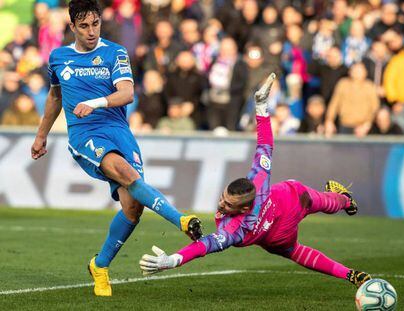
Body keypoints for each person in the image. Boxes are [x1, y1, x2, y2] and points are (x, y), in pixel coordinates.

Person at [30, 0, 203, 297]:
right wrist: (41, 134)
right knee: (126, 174)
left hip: (118, 130)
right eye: (83, 26)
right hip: (86, 134)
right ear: (72, 27)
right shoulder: (58, 58)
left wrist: (95, 102)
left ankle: (99, 264)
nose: (91, 31)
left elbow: (126, 93)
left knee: (132, 208)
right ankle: (182, 220)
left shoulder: (115, 53)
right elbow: (55, 97)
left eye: (95, 24)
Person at [139, 73, 372, 289]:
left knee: (333, 203)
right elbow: (265, 145)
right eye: (223, 198)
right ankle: (349, 273)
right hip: (277, 235)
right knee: (294, 251)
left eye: (229, 205)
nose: (221, 205)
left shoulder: (237, 226)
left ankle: (345, 199)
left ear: (245, 207)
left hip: (293, 199)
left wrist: (174, 260)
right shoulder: (255, 182)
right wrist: (260, 107)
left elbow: (205, 246)